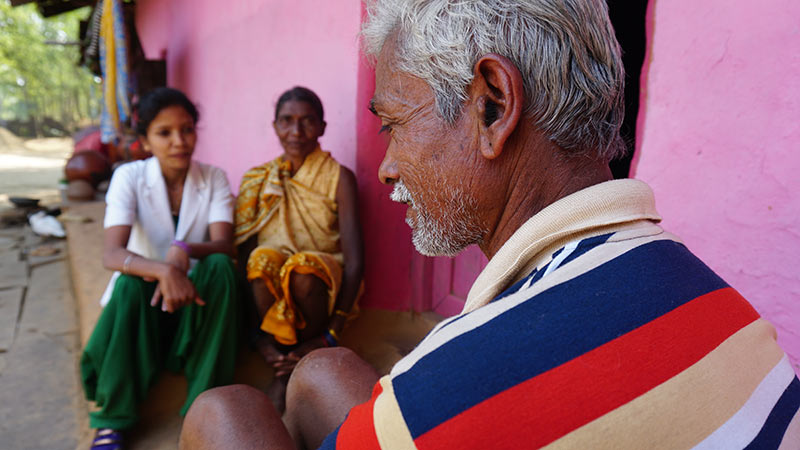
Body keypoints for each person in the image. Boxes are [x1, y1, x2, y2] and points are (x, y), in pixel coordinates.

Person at [180, 1, 800, 449]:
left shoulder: (446, 394)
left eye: (393, 122)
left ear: (492, 105)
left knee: (224, 412)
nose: (389, 165)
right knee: (320, 372)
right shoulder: (731, 315)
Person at [80, 87, 239, 449]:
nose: (179, 141)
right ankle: (112, 420)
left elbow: (224, 244)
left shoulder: (212, 177)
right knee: (129, 283)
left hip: (196, 301)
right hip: (143, 306)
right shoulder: (129, 177)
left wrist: (184, 250)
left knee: (220, 267)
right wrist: (164, 270)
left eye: (186, 129)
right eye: (164, 133)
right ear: (146, 141)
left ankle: (205, 402)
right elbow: (111, 253)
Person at [233, 86, 363, 410]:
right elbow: (242, 256)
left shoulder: (339, 177)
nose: (296, 131)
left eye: (307, 121)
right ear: (275, 126)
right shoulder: (258, 179)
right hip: (271, 285)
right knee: (260, 259)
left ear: (322, 128)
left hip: (320, 282)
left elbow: (356, 261)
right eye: (287, 121)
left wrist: (333, 333)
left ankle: (304, 358)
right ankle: (282, 359)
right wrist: (258, 337)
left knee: (302, 271)